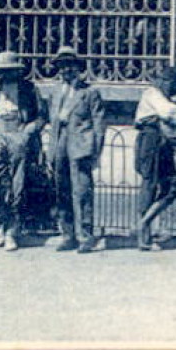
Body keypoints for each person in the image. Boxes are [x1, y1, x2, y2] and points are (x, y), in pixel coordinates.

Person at [0, 50, 45, 251]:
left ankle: (12, 232)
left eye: (10, 71)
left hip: (19, 131)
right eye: (2, 71)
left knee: (18, 184)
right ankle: (1, 223)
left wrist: (28, 131)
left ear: (18, 71)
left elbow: (42, 116)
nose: (6, 74)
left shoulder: (29, 89)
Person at [133, 63, 176, 250]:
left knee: (172, 187)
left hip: (162, 142)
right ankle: (144, 235)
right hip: (151, 139)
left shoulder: (162, 96)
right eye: (173, 85)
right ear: (164, 81)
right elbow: (169, 112)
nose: (174, 90)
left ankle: (144, 223)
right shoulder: (152, 93)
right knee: (150, 183)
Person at [47, 46, 105, 252]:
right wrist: (50, 152)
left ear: (78, 68)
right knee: (61, 190)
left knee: (81, 191)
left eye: (70, 66)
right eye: (62, 67)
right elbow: (52, 123)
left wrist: (96, 153)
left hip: (80, 146)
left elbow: (99, 125)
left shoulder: (89, 93)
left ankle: (85, 236)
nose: (66, 71)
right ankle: (68, 234)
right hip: (59, 144)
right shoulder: (55, 92)